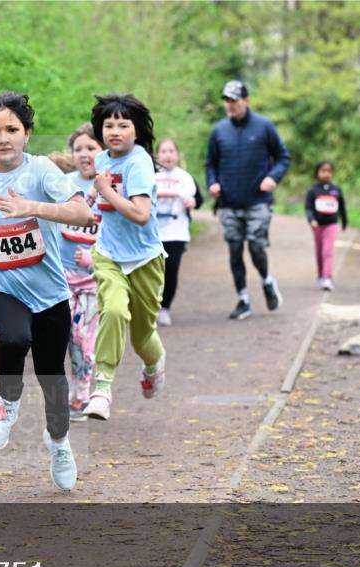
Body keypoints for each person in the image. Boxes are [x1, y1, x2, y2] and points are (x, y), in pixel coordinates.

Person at [0, 92, 95, 491]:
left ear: (27, 133)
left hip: (49, 292)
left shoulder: (42, 171)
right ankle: (6, 407)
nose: (3, 138)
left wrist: (33, 207)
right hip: (1, 283)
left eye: (12, 129)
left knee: (53, 380)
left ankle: (60, 444)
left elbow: (82, 213)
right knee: (14, 338)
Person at [82, 94, 166, 421]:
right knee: (114, 311)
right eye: (108, 125)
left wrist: (106, 192)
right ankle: (101, 388)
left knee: (142, 336)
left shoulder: (138, 163)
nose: (115, 131)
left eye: (123, 125)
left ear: (137, 131)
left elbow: (141, 214)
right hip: (108, 254)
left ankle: (154, 365)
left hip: (145, 258)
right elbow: (97, 194)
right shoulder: (102, 159)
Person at [205, 80, 291, 320]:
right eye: (227, 101)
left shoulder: (264, 126)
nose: (230, 105)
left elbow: (283, 157)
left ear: (247, 100)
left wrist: (273, 177)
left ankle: (267, 280)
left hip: (258, 201)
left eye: (235, 100)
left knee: (255, 245)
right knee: (234, 249)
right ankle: (243, 299)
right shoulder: (219, 131)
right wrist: (212, 182)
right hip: (229, 202)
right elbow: (210, 162)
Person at [56, 123, 104, 420]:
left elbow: (120, 234)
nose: (85, 154)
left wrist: (94, 258)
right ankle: (65, 393)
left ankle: (82, 396)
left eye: (91, 148)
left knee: (82, 338)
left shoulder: (109, 186)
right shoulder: (62, 183)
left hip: (91, 281)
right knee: (58, 337)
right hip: (59, 279)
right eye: (79, 149)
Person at [153, 138, 197, 326]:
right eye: (163, 151)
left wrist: (192, 202)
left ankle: (165, 308)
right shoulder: (149, 176)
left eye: (171, 151)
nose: (168, 155)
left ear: (177, 155)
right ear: (156, 155)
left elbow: (195, 198)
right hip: (152, 234)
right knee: (152, 274)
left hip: (177, 234)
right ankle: (149, 306)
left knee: (171, 273)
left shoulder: (185, 177)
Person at [304, 160, 348, 291]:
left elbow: (342, 207)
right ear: (317, 173)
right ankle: (320, 275)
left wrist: (344, 221)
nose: (326, 174)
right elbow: (308, 208)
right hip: (317, 225)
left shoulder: (336, 190)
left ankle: (327, 277)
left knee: (327, 251)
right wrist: (311, 219)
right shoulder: (313, 190)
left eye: (329, 171)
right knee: (319, 252)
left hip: (331, 224)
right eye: (323, 171)